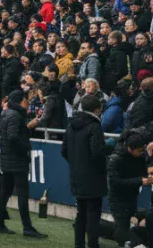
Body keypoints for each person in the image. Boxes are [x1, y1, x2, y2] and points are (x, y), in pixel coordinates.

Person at [0, 90, 46, 238]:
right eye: (26, 101)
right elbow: (13, 137)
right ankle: (27, 227)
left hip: (7, 158)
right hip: (16, 160)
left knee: (5, 192)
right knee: (22, 194)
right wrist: (25, 147)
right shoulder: (15, 115)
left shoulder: (6, 114)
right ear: (20, 101)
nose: (28, 103)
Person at [64, 95, 111, 248]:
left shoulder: (71, 125)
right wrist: (110, 145)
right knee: (92, 215)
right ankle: (92, 244)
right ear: (97, 109)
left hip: (77, 176)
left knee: (81, 213)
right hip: (93, 178)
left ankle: (78, 244)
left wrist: (77, 164)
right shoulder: (94, 127)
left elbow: (64, 150)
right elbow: (97, 152)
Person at [105, 134, 149, 245]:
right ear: (130, 148)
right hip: (117, 198)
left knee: (124, 227)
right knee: (122, 228)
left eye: (142, 150)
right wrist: (139, 181)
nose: (141, 153)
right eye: (139, 151)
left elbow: (144, 172)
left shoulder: (141, 157)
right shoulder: (116, 159)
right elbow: (115, 182)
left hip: (132, 196)